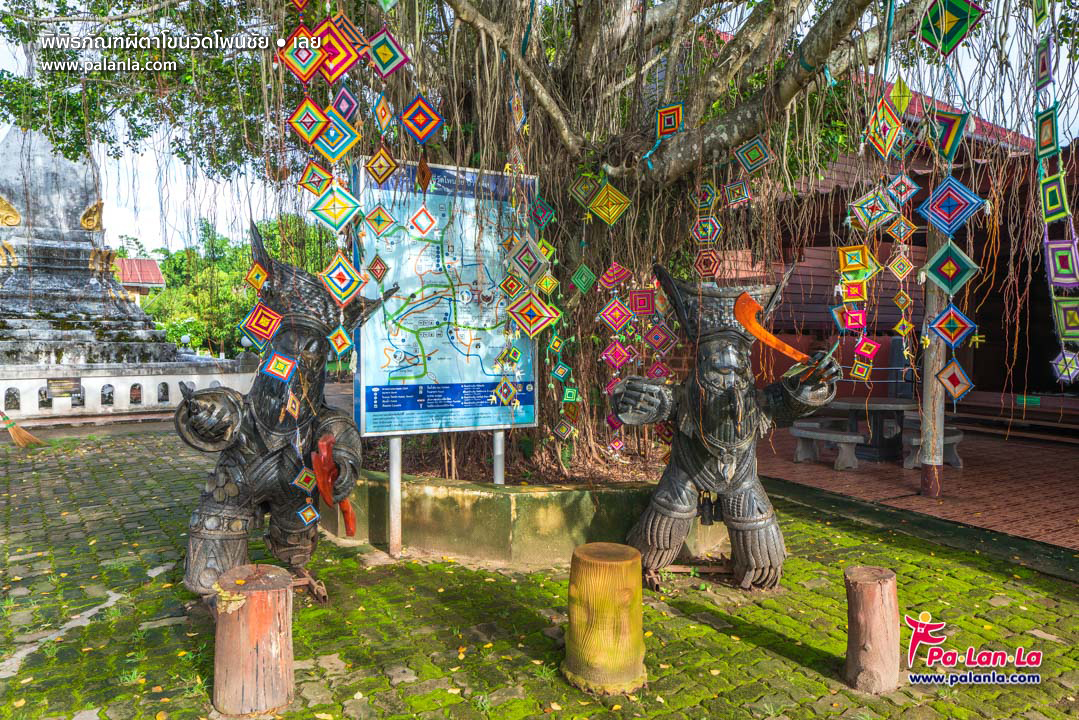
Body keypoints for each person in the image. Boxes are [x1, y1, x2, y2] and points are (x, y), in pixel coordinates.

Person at [612, 265, 840, 591]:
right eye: (716, 371)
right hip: (688, 471)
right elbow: (644, 401)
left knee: (762, 550)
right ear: (699, 368)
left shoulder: (755, 401)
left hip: (741, 476)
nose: (729, 382)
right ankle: (645, 566)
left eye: (738, 370)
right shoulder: (685, 398)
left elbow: (793, 399)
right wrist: (631, 398)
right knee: (665, 523)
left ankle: (751, 574)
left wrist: (813, 382)